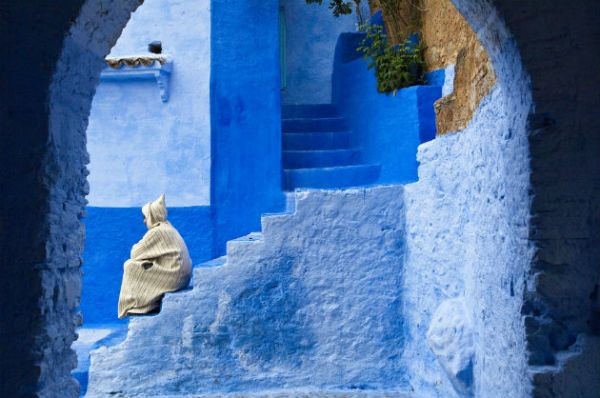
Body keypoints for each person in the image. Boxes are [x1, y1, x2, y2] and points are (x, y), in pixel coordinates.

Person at [118, 194, 192, 318]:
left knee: (130, 265)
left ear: (153, 216)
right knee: (140, 265)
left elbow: (135, 253)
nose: (144, 221)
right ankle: (147, 303)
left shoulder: (158, 231)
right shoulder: (168, 227)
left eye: (146, 217)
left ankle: (139, 305)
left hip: (174, 277)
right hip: (180, 276)